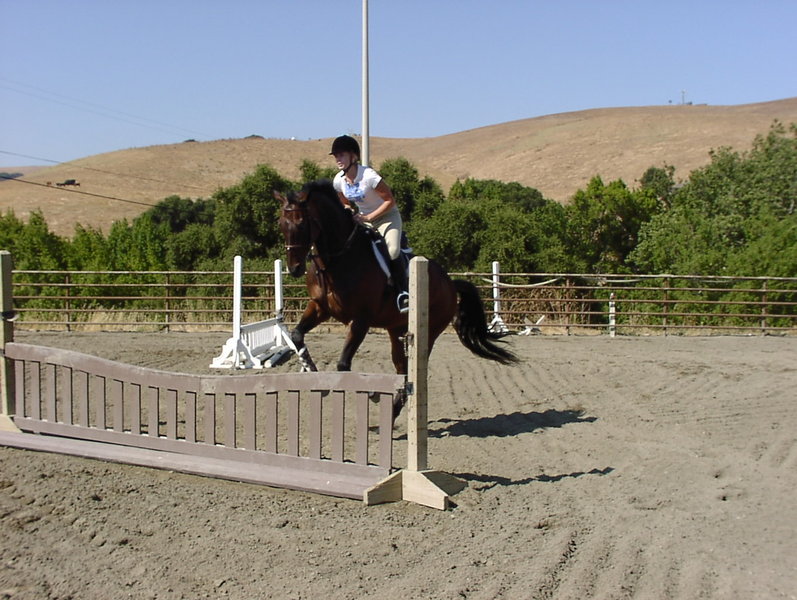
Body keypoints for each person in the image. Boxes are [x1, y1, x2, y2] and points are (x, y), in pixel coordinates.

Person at [330, 134, 409, 313]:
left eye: (341, 155)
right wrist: (349, 211)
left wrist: (368, 217)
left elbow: (390, 201)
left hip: (387, 216)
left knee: (392, 250)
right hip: (363, 219)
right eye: (336, 156)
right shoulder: (339, 180)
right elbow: (344, 202)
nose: (338, 159)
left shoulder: (369, 176)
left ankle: (402, 292)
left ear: (353, 156)